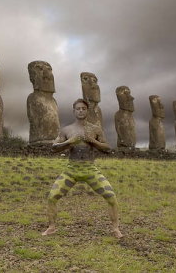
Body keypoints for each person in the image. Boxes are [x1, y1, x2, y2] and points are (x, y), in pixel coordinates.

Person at [42, 98, 123, 238]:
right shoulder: (67, 130)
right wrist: (69, 142)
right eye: (78, 108)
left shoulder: (95, 129)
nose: (81, 111)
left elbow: (107, 148)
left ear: (87, 111)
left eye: (83, 108)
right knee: (52, 197)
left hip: (90, 169)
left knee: (111, 196)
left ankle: (115, 229)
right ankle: (51, 227)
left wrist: (93, 141)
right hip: (72, 170)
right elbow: (53, 148)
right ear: (74, 111)